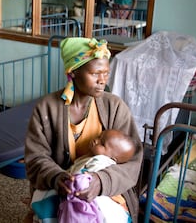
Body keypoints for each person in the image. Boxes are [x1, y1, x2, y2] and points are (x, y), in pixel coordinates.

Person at [24, 37, 143, 223]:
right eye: (95, 73)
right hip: (57, 188)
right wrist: (57, 178)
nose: (102, 80)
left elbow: (133, 161)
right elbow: (35, 158)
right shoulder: (46, 108)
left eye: (106, 73)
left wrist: (101, 181)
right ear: (73, 72)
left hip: (106, 190)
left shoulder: (115, 107)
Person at [31, 129, 136, 222]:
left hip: (91, 192)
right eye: (99, 137)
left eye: (102, 143)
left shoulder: (102, 160)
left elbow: (89, 175)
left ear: (112, 159)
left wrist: (79, 178)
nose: (96, 140)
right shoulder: (91, 156)